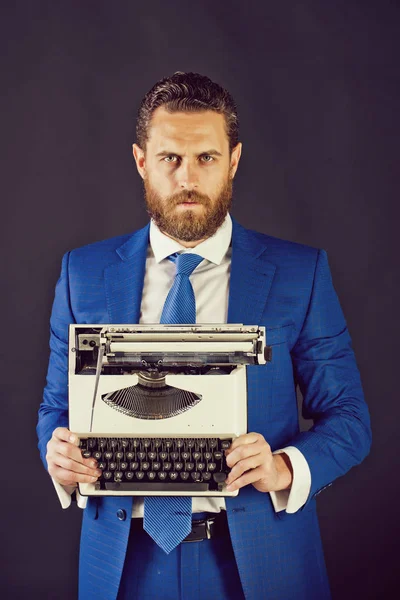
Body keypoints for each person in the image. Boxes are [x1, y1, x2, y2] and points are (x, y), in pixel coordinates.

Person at [37, 71, 372, 600]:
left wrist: (285, 467)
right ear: (141, 161)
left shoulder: (297, 273)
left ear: (233, 161)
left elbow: (350, 418)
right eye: (170, 158)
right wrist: (56, 456)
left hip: (259, 562)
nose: (188, 178)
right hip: (123, 562)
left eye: (206, 158)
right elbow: (55, 410)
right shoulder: (83, 273)